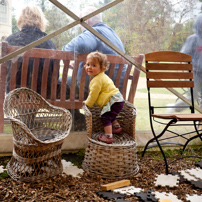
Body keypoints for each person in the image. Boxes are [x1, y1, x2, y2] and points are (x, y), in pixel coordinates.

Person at [61, 6, 126, 130]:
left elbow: (82, 43)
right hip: (116, 90)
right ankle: (88, 121)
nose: (82, 30)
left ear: (87, 22)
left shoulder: (94, 31)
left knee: (61, 83)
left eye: (81, 25)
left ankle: (77, 121)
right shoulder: (112, 33)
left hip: (99, 88)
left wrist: (64, 50)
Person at [5, 5, 56, 98]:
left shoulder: (10, 40)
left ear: (20, 20)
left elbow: (5, 71)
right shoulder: (49, 42)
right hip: (42, 95)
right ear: (41, 20)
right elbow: (53, 74)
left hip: (15, 94)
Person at [83, 51, 125, 144]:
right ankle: (117, 128)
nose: (89, 67)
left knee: (105, 117)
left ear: (102, 68)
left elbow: (93, 94)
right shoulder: (101, 76)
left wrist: (87, 103)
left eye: (93, 65)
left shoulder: (97, 80)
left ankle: (109, 137)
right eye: (88, 64)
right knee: (110, 114)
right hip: (117, 100)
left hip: (113, 101)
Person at [167, 14, 202, 113]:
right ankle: (174, 108)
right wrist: (181, 70)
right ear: (198, 25)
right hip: (194, 72)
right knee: (192, 96)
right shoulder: (193, 39)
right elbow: (182, 55)